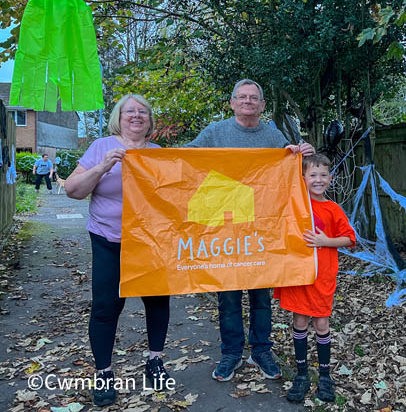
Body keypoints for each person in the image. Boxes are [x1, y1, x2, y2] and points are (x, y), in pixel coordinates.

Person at [186, 78, 314, 382]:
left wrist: (302, 154)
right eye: (241, 97)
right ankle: (231, 353)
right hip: (223, 231)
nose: (247, 102)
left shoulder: (272, 135)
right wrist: (146, 159)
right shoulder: (215, 133)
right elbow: (184, 159)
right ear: (231, 102)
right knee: (228, 297)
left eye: (253, 98)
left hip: (261, 230)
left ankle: (261, 351)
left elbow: (291, 172)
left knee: (260, 295)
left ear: (262, 105)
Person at [65, 94, 171, 406]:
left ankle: (154, 361)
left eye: (143, 112)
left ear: (150, 120)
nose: (136, 116)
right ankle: (104, 372)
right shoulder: (101, 147)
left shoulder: (159, 154)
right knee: (106, 306)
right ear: (119, 117)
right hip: (108, 239)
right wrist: (102, 167)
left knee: (156, 301)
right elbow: (73, 190)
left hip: (149, 241)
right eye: (130, 112)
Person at [275, 153, 355, 403]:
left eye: (323, 175)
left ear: (330, 179)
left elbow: (351, 239)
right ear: (303, 178)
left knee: (321, 325)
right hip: (298, 276)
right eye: (313, 175)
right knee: (299, 322)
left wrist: (325, 241)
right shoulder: (294, 206)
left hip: (322, 277)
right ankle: (301, 375)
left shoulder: (333, 209)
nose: (318, 180)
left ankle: (325, 376)